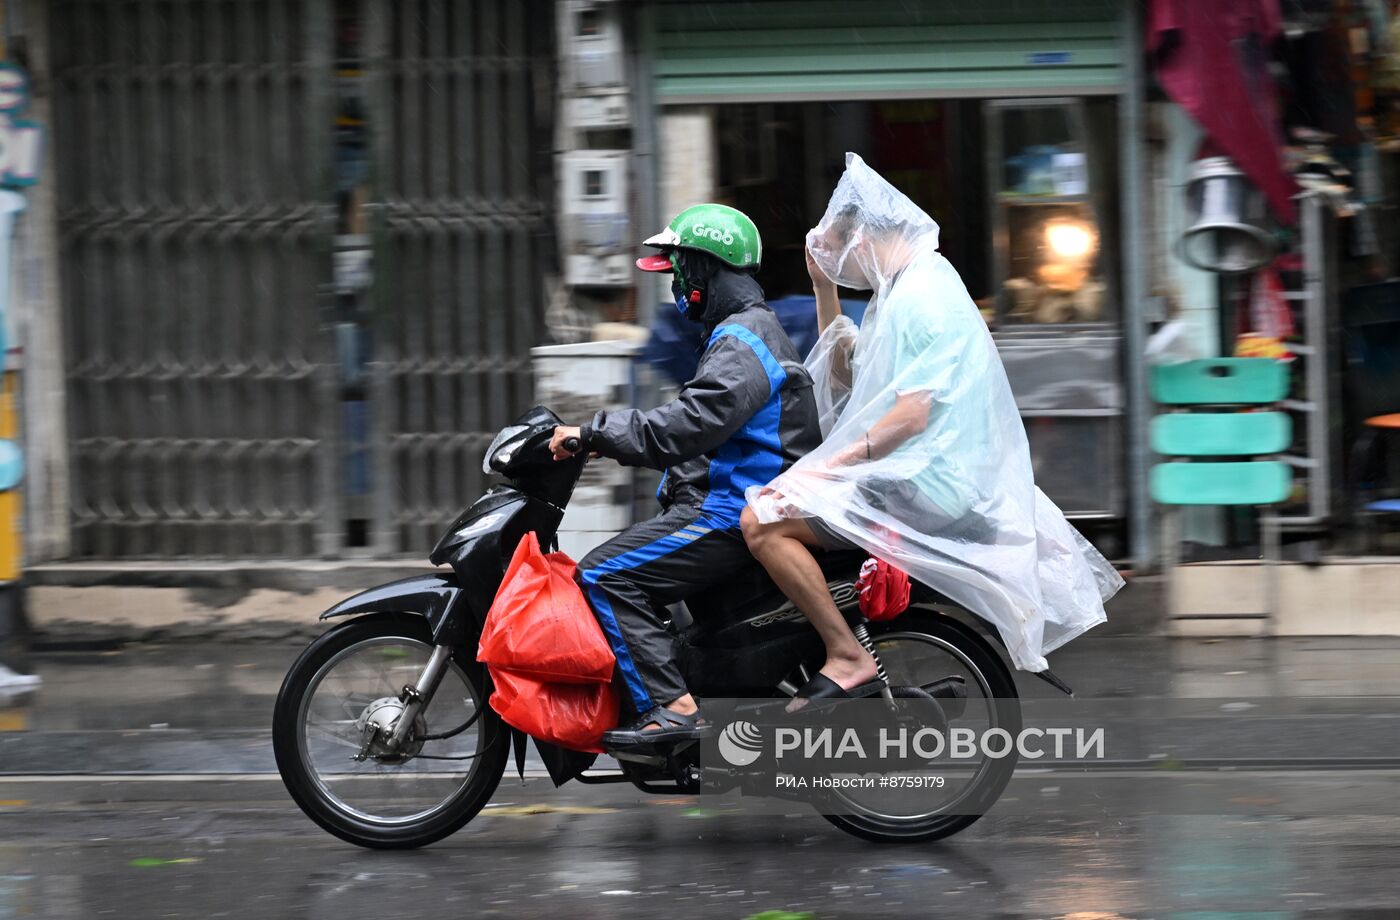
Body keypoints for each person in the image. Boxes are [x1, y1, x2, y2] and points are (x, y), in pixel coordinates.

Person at [742, 154, 1122, 692]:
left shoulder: (921, 296)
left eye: (846, 257)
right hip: (917, 476)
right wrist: (823, 288)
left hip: (927, 486)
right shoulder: (901, 291)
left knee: (762, 522)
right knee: (784, 502)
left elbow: (910, 414)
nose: (849, 269)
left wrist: (826, 470)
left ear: (866, 242)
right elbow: (847, 371)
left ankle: (845, 653)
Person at [549, 204, 821, 748]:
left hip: (729, 510)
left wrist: (597, 432)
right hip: (724, 498)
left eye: (680, 270)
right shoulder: (738, 334)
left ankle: (672, 710)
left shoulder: (743, 339)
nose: (676, 283)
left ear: (705, 268)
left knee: (605, 574)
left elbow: (691, 424)